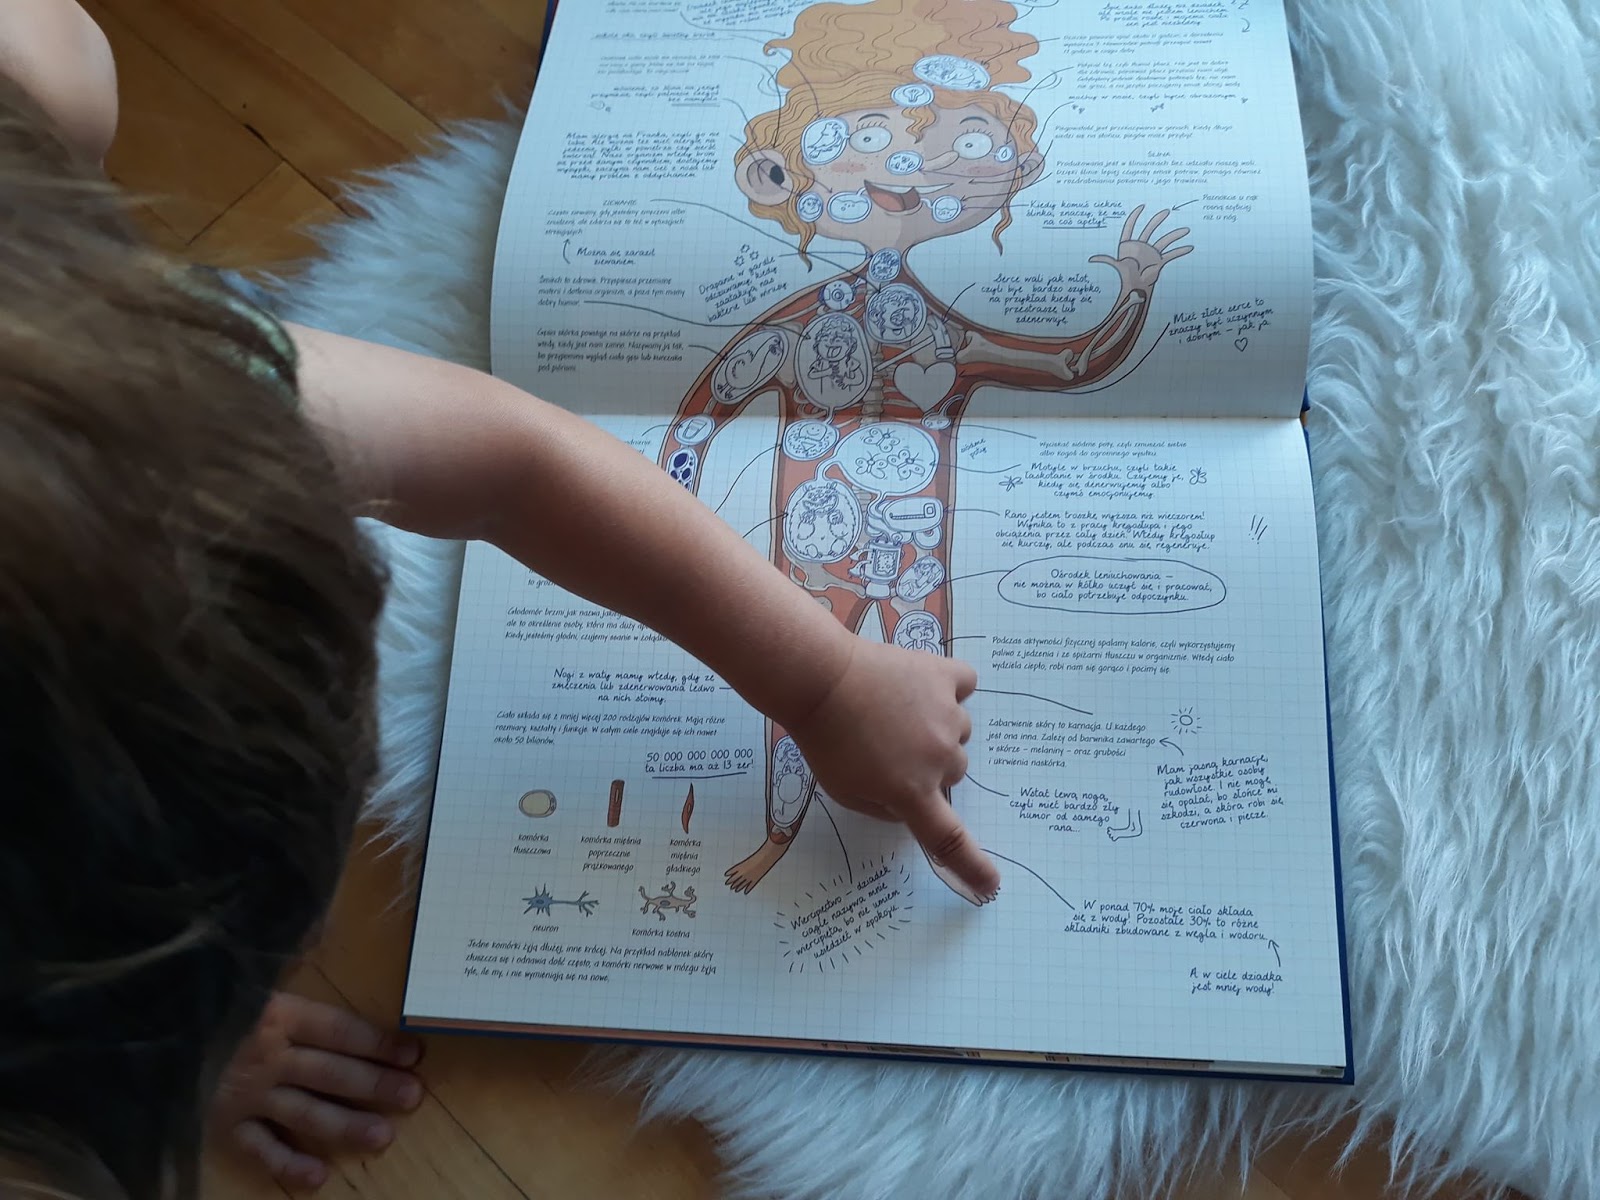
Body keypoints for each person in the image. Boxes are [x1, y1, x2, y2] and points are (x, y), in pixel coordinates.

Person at [0, 2, 995, 1196]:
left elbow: (509, 460)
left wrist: (821, 681)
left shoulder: (167, 387)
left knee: (54, 74)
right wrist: (182, 1040)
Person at [656, 0, 1191, 899]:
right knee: (788, 705)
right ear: (792, 173)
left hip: (914, 560)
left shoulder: (946, 338)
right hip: (809, 559)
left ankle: (927, 820)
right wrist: (676, 530)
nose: (900, 172)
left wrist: (1135, 291)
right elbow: (701, 416)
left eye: (939, 145)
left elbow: (1072, 364)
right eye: (866, 140)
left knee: (928, 689)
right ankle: (779, 835)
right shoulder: (796, 327)